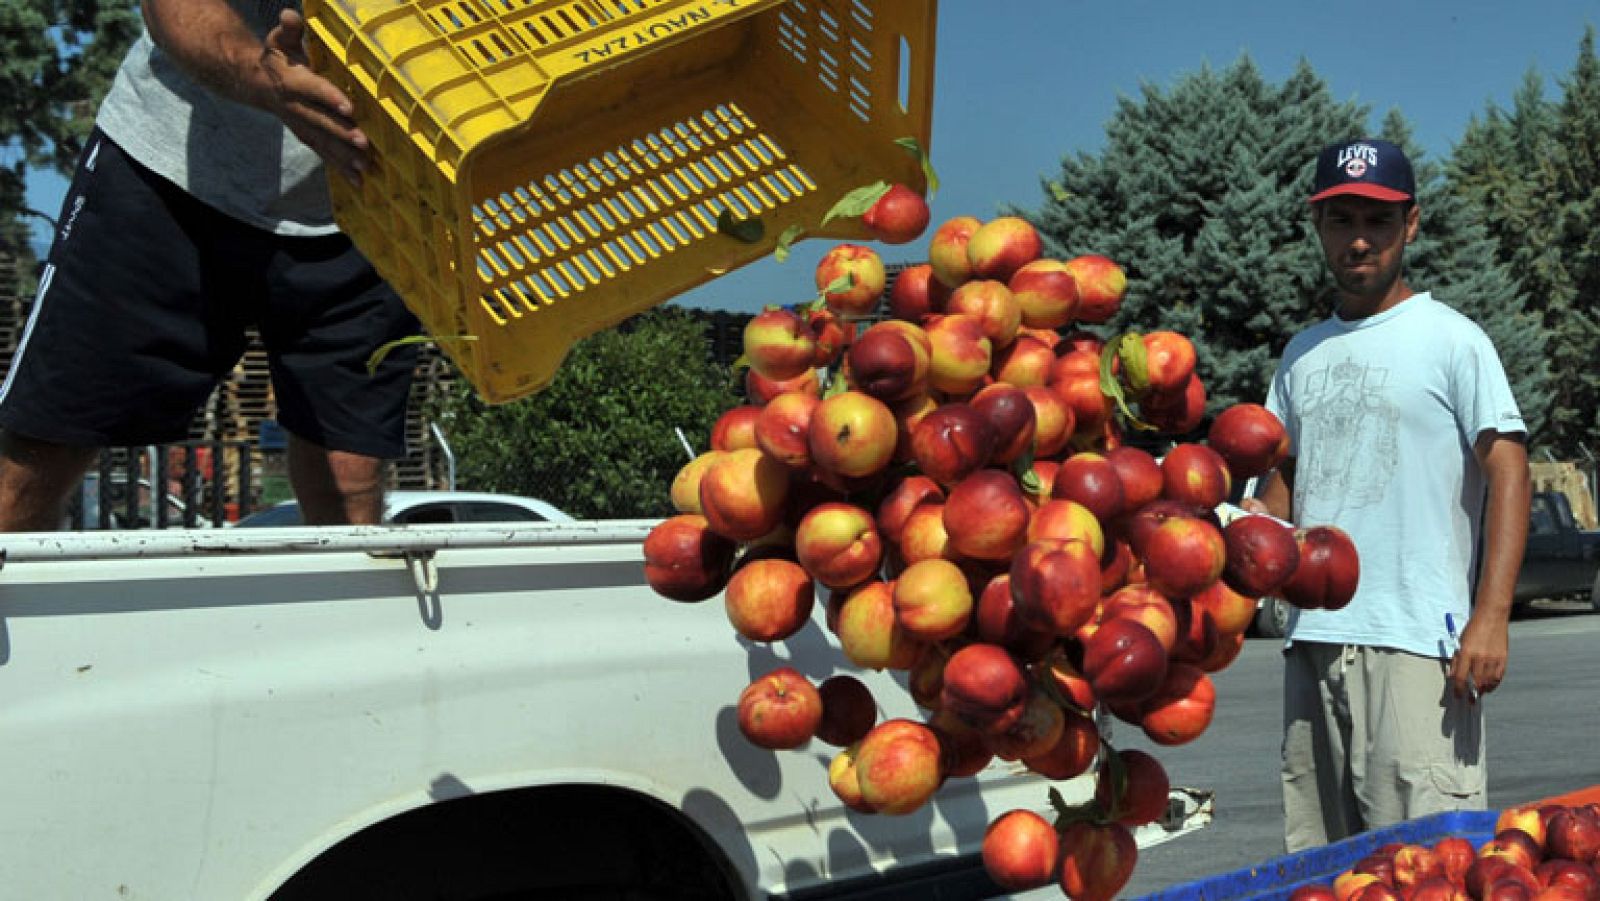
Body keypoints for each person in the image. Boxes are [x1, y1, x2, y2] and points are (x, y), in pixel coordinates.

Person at [0, 0, 421, 530]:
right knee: (36, 459)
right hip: (166, 170)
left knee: (351, 487)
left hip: (370, 197)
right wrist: (266, 77)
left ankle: (354, 612)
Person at [1246, 138, 1531, 852]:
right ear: (1319, 229)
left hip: (1417, 645)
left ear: (1411, 224)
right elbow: (1282, 483)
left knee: (1427, 865)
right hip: (1312, 645)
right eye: (1342, 220)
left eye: (1378, 219)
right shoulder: (1300, 353)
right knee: (1323, 867)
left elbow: (1510, 469)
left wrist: (1491, 615)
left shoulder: (1451, 339)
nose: (1360, 238)